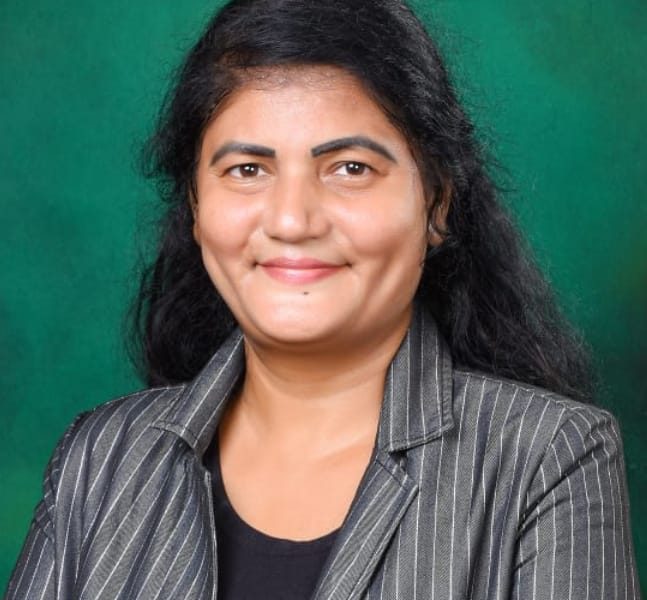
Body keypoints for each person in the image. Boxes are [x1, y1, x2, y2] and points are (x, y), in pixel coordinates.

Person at [6, 0, 640, 598]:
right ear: (196, 207)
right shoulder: (100, 459)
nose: (292, 220)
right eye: (247, 170)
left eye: (350, 168)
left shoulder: (548, 458)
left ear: (437, 204)